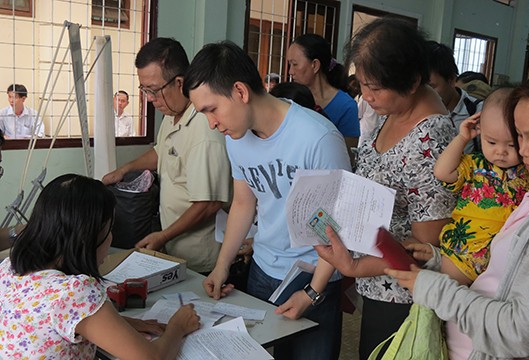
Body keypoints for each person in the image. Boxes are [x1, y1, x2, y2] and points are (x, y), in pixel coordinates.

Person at [384, 65, 529, 360]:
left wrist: (435, 289)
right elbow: (503, 270)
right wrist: (443, 260)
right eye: (519, 136)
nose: (522, 151)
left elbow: (520, 332)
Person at [182, 41, 351, 360]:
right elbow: (244, 204)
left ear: (240, 92)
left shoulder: (317, 138)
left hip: (313, 277)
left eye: (211, 109)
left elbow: (335, 226)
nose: (212, 124)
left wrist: (312, 293)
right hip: (263, 271)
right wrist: (221, 267)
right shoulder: (237, 139)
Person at [313, 18, 456, 359]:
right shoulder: (392, 110)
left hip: (403, 296)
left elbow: (426, 245)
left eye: (375, 88)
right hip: (378, 285)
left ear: (412, 82)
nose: (366, 96)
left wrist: (356, 267)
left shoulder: (430, 138)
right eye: (362, 84)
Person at [0, 173, 200, 360]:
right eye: (109, 229)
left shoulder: (10, 267)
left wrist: (125, 325)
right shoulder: (74, 293)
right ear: (86, 239)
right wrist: (178, 326)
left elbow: (49, 323)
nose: (111, 237)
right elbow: (151, 358)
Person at [102, 38, 232, 274]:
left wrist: (163, 236)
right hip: (175, 249)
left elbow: (209, 203)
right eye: (144, 91)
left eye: (154, 90)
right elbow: (161, 152)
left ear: (180, 83)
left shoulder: (205, 129)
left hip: (202, 259)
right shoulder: (172, 114)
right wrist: (125, 169)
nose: (150, 99)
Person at [430, 87, 529, 285]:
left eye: (511, 145)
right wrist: (462, 138)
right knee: (449, 300)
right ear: (480, 133)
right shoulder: (476, 164)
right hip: (464, 252)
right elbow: (442, 172)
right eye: (491, 142)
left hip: (503, 259)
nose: (500, 152)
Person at [287, 33, 360, 160]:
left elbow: (347, 157)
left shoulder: (346, 106)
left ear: (314, 65)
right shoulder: (290, 97)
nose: (290, 72)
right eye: (290, 65)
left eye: (295, 64)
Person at [426, 41, 483, 153]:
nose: (424, 95)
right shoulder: (410, 113)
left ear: (451, 80)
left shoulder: (478, 112)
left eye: (431, 87)